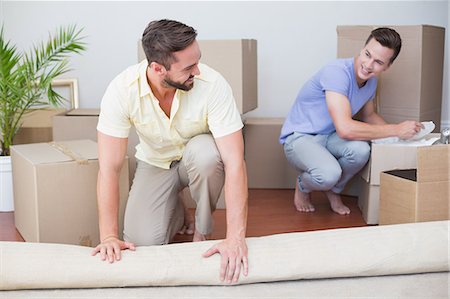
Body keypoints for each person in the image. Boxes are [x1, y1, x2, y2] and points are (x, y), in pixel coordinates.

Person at [91, 19, 248, 284]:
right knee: (143, 244)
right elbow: (109, 168)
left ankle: (202, 227)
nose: (197, 71)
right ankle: (177, 208)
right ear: (157, 68)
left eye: (198, 61)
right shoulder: (121, 90)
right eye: (189, 67)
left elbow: (235, 162)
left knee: (207, 155)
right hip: (155, 163)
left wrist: (235, 238)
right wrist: (108, 236)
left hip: (198, 159)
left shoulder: (213, 84)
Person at [280, 27, 422, 216]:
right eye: (367, 54)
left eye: (378, 62)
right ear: (363, 48)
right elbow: (346, 128)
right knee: (329, 174)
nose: (368, 65)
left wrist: (408, 136)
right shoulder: (337, 72)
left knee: (362, 150)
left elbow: (369, 116)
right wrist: (396, 130)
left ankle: (334, 191)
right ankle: (303, 185)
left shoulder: (371, 81)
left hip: (329, 136)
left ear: (387, 66)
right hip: (300, 138)